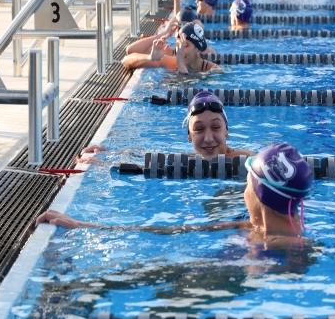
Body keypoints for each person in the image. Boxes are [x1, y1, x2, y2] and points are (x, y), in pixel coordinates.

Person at [39, 142, 314, 248]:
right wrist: (87, 226)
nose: (243, 189)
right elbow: (180, 230)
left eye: (247, 183)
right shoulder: (259, 227)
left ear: (259, 195)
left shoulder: (278, 245)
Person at [78, 91, 253, 164]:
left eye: (215, 127)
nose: (208, 138)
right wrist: (108, 156)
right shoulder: (193, 160)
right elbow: (152, 158)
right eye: (199, 129)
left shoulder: (243, 159)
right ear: (189, 136)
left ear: (227, 131)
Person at [121, 23, 221, 74]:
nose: (179, 50)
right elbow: (126, 59)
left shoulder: (214, 70)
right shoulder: (172, 63)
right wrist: (149, 58)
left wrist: (181, 65)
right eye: (178, 44)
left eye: (185, 45)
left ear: (198, 51)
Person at [124, 9, 215, 56]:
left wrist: (200, 32)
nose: (185, 32)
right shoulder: (167, 50)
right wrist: (163, 34)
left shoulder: (199, 52)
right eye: (182, 26)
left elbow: (211, 53)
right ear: (176, 28)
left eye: (190, 27)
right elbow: (130, 50)